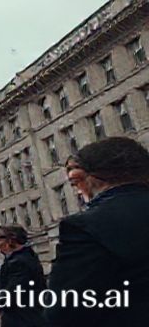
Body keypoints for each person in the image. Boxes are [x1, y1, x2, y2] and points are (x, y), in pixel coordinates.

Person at [46, 137, 149, 327]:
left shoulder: (85, 227)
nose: (78, 192)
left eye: (76, 184)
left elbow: (65, 311)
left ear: (91, 177)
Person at [0, 225, 47, 327]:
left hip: (23, 318)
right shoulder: (24, 257)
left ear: (11, 240)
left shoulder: (18, 262)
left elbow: (12, 292)